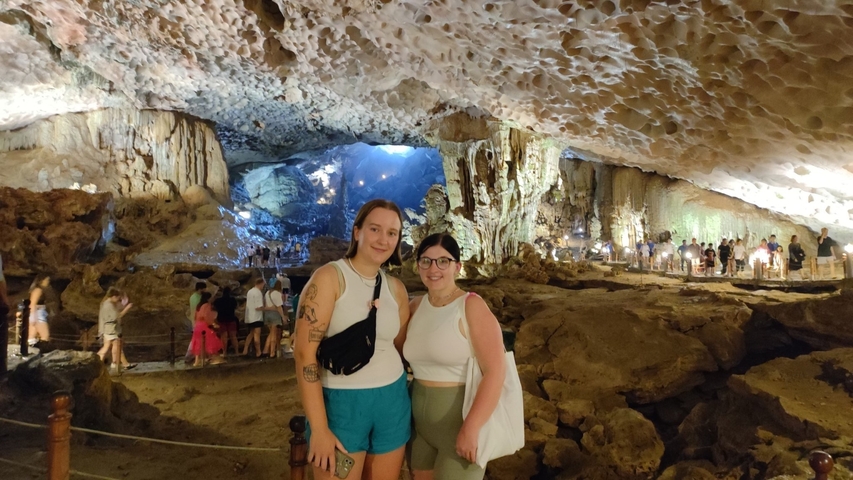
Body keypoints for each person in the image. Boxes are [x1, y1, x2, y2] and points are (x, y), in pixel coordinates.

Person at [294, 199, 411, 480]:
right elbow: (303, 354)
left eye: (392, 233)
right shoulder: (329, 279)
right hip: (341, 406)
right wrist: (320, 429)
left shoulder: (396, 289)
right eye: (375, 229)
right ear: (357, 232)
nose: (383, 239)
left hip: (392, 401)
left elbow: (403, 347)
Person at [403, 233, 505, 480]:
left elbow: (495, 371)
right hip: (419, 430)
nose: (433, 268)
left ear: (457, 267)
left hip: (459, 426)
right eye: (426, 261)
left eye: (443, 261)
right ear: (418, 266)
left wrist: (471, 428)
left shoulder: (471, 306)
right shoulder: (415, 307)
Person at [97, 288, 136, 370]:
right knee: (114, 346)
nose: (119, 299)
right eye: (118, 297)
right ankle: (99, 363)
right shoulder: (108, 305)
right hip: (111, 329)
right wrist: (127, 308)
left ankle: (118, 363)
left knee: (112, 346)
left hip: (108, 329)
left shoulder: (107, 303)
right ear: (114, 296)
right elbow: (117, 316)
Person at [191, 292, 225, 366]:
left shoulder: (198, 306)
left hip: (198, 325)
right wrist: (213, 323)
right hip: (204, 325)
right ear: (208, 298)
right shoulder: (207, 305)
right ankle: (213, 358)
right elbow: (206, 316)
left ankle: (197, 361)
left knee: (198, 343)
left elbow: (195, 316)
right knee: (211, 340)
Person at [262, 280, 286, 359]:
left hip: (267, 314)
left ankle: (265, 350)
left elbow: (265, 305)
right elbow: (279, 307)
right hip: (274, 315)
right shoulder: (278, 294)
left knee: (271, 333)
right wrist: (283, 317)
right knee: (274, 334)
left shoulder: (267, 293)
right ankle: (272, 352)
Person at [214, 287, 240, 357]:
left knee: (224, 337)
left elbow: (214, 307)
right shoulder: (232, 300)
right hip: (231, 319)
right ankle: (237, 352)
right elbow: (236, 307)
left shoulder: (218, 300)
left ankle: (224, 352)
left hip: (222, 320)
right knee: (233, 336)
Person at [242, 278, 265, 358]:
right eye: (263, 284)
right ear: (261, 283)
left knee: (251, 333)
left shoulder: (250, 291)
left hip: (249, 316)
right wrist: (267, 308)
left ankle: (245, 350)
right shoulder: (258, 293)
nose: (263, 286)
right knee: (256, 335)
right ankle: (258, 352)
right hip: (257, 317)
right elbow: (258, 307)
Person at [28, 274, 51, 345]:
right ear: (41, 281)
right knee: (45, 336)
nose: (48, 282)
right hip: (38, 314)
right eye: (47, 280)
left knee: (31, 337)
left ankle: (31, 351)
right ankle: (42, 351)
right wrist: (33, 318)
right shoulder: (38, 290)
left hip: (36, 313)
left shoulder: (39, 290)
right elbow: (32, 304)